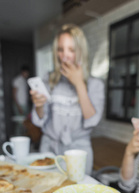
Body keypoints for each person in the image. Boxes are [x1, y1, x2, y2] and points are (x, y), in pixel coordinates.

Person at [30, 24, 105, 175]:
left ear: (81, 51)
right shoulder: (49, 80)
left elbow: (92, 120)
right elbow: (40, 120)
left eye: (71, 49)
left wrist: (79, 83)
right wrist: (38, 105)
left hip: (79, 151)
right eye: (60, 49)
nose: (65, 55)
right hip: (49, 149)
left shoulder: (95, 84)